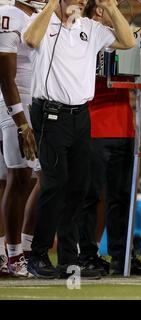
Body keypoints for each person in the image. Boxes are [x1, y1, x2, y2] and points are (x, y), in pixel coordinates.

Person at [24, 0, 135, 279]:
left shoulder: (91, 28)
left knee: (78, 187)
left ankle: (68, 262)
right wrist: (51, 6)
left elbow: (128, 41)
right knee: (54, 184)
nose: (81, 2)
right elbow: (30, 39)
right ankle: (37, 255)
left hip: (80, 115)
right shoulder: (43, 21)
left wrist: (111, 8)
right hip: (50, 112)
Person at [77, 0, 141, 276]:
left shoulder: (119, 35)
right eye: (98, 8)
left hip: (124, 127)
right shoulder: (82, 36)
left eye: (108, 6)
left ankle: (122, 255)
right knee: (90, 196)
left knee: (122, 197)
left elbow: (133, 42)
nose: (104, 11)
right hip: (94, 125)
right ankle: (86, 255)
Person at [0, 0, 44, 277]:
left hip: (35, 103)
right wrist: (20, 121)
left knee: (38, 178)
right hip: (15, 104)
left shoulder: (41, 15)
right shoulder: (9, 14)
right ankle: (15, 254)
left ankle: (19, 250)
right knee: (19, 178)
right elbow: (6, 75)